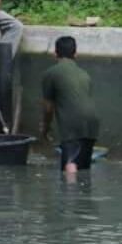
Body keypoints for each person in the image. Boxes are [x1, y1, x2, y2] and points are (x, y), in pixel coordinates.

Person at [41, 36, 99, 178]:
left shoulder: (51, 73)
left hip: (72, 124)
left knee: (71, 164)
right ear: (75, 54)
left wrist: (45, 127)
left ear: (55, 53)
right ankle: (83, 198)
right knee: (83, 167)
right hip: (93, 123)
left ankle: (70, 196)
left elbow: (48, 107)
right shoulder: (84, 74)